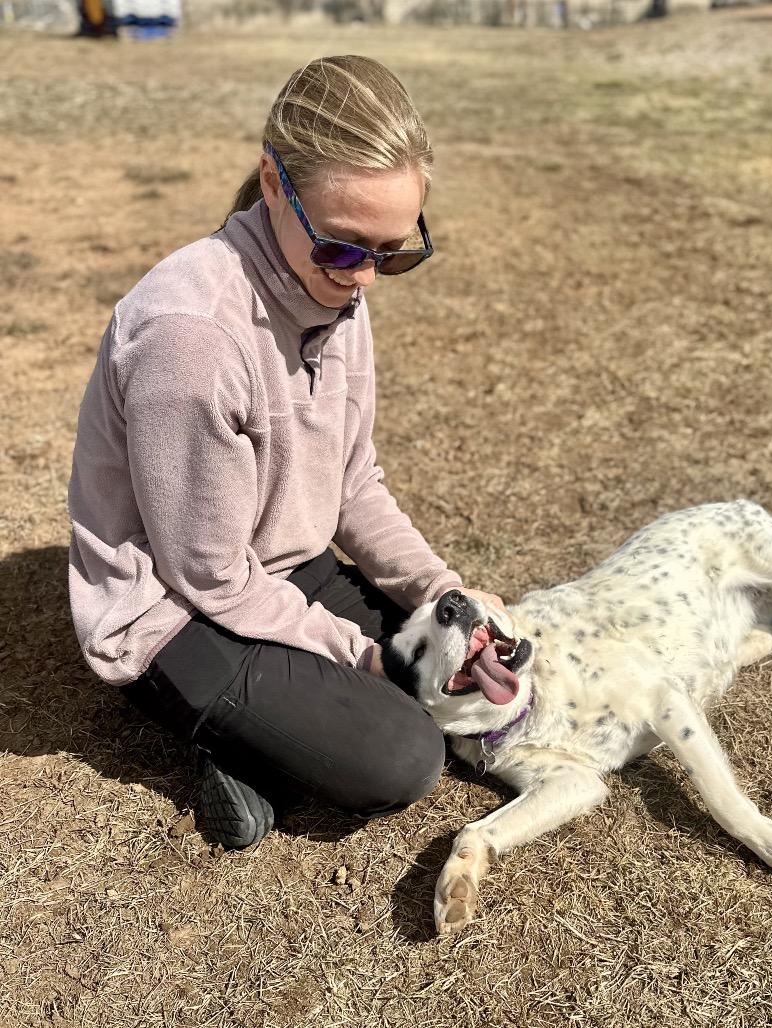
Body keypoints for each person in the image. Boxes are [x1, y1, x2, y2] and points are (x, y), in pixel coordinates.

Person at [68, 55, 505, 849]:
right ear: (273, 181)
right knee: (403, 754)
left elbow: (354, 482)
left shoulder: (340, 286)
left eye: (393, 251)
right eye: (344, 248)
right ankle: (242, 741)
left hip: (276, 569)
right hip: (174, 611)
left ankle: (271, 740)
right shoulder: (192, 340)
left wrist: (445, 597)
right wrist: (364, 658)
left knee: (462, 675)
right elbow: (208, 573)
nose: (367, 276)